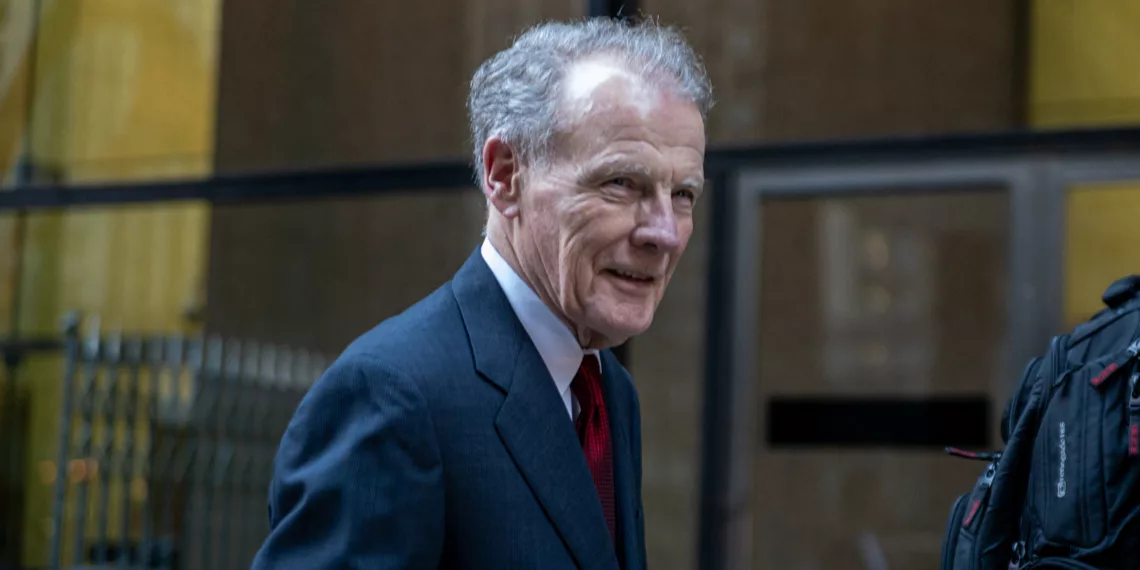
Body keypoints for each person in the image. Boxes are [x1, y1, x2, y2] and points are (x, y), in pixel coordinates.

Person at [251, 16, 713, 570]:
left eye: (682, 194)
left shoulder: (609, 391)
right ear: (504, 175)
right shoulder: (390, 396)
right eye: (621, 183)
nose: (663, 233)